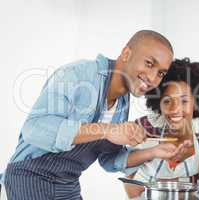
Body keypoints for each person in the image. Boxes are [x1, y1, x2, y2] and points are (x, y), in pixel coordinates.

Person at [1, 30, 189, 199]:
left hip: (67, 185)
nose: (152, 77)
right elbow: (34, 129)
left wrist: (153, 152)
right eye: (149, 63)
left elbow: (109, 160)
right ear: (126, 53)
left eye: (161, 73)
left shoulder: (122, 102)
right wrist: (106, 130)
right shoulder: (76, 75)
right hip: (29, 178)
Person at [123, 58, 199, 199]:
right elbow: (131, 187)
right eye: (167, 100)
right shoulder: (143, 130)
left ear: (195, 102)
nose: (175, 109)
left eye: (184, 101)